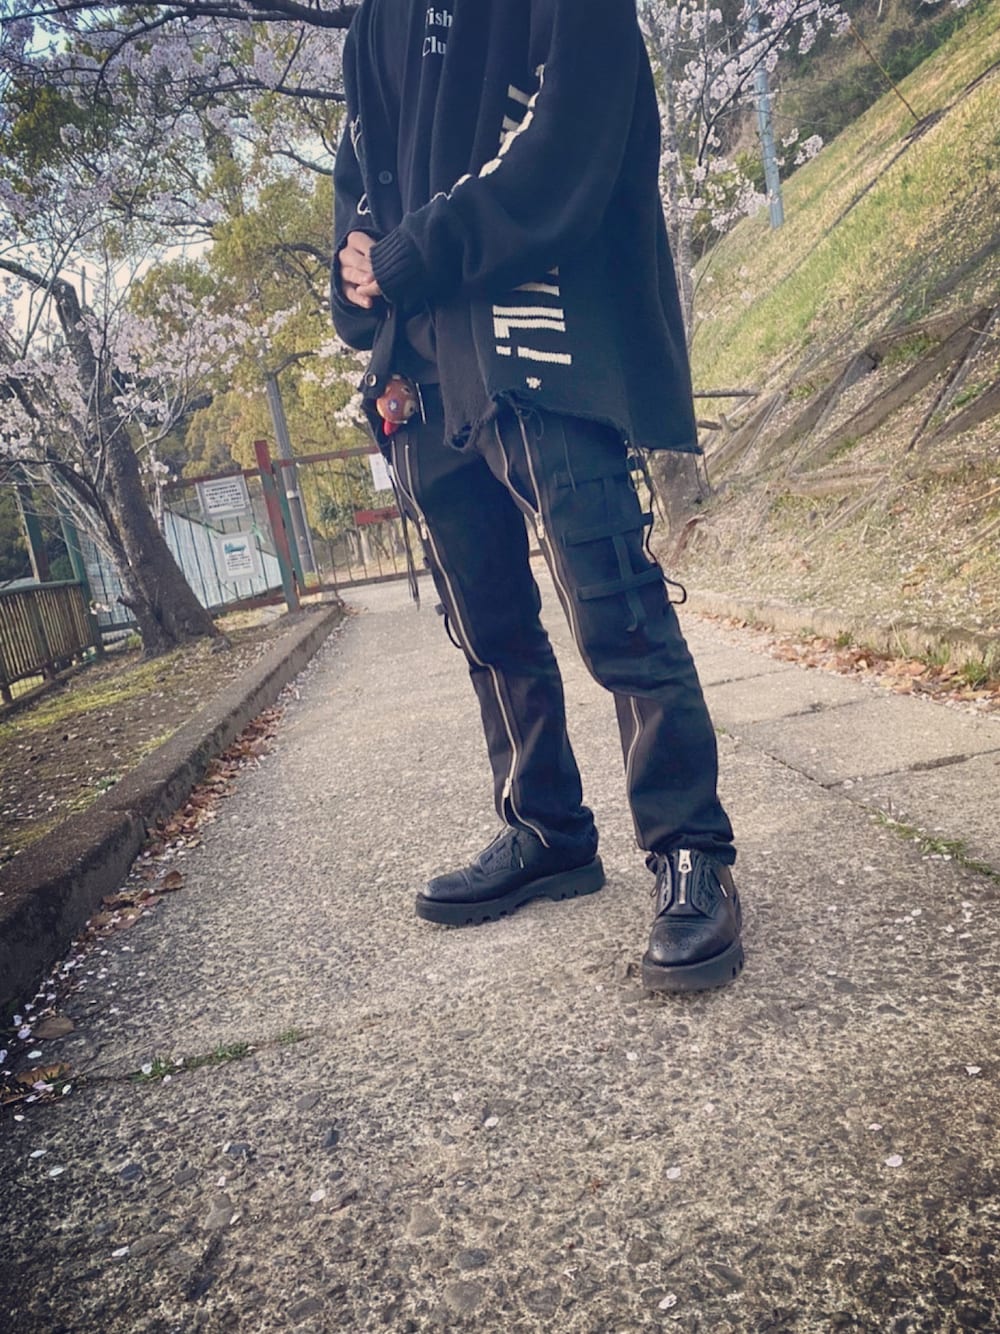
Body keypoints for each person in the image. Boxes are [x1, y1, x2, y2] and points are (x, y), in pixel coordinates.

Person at [330, 0, 743, 992]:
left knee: (612, 596)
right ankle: (545, 826)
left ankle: (690, 845)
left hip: (536, 322)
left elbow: (572, 130)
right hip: (419, 363)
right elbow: (362, 187)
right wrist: (355, 271)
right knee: (487, 622)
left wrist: (409, 254)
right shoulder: (372, 23)